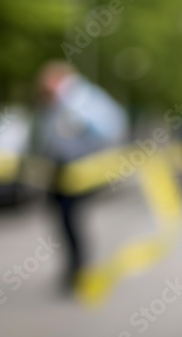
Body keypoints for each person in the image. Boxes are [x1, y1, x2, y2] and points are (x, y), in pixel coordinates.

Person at [33, 61, 128, 293]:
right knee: (65, 222)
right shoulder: (60, 101)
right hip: (60, 169)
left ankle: (79, 271)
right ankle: (75, 269)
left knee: (71, 221)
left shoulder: (81, 99)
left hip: (76, 168)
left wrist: (81, 125)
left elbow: (109, 127)